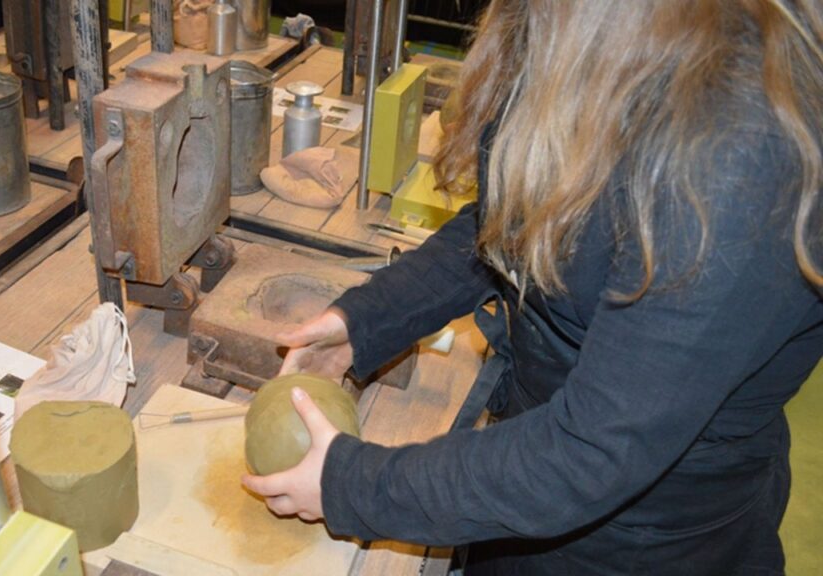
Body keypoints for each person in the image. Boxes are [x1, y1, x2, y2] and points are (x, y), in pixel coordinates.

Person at [242, 1, 823, 573]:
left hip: (639, 541)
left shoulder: (744, 156)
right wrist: (367, 321)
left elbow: (593, 451)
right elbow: (513, 223)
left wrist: (358, 486)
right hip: (524, 475)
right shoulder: (581, 36)